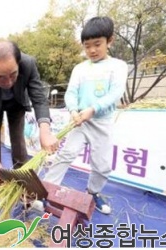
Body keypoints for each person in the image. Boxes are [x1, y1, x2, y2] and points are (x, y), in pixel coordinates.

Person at [40, 16, 128, 214]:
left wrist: (93, 109)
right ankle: (45, 191)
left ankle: (92, 193)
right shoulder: (80, 69)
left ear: (110, 41)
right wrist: (73, 110)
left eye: (97, 44)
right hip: (79, 122)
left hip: (101, 122)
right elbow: (71, 93)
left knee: (103, 165)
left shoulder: (118, 66)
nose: (92, 50)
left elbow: (115, 94)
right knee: (65, 155)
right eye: (87, 46)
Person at [0, 40, 59, 185]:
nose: (8, 82)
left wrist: (45, 131)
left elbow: (38, 97)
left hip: (16, 103)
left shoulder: (28, 63)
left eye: (13, 74)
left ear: (19, 64)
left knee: (18, 141)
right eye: (1, 77)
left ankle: (22, 182)